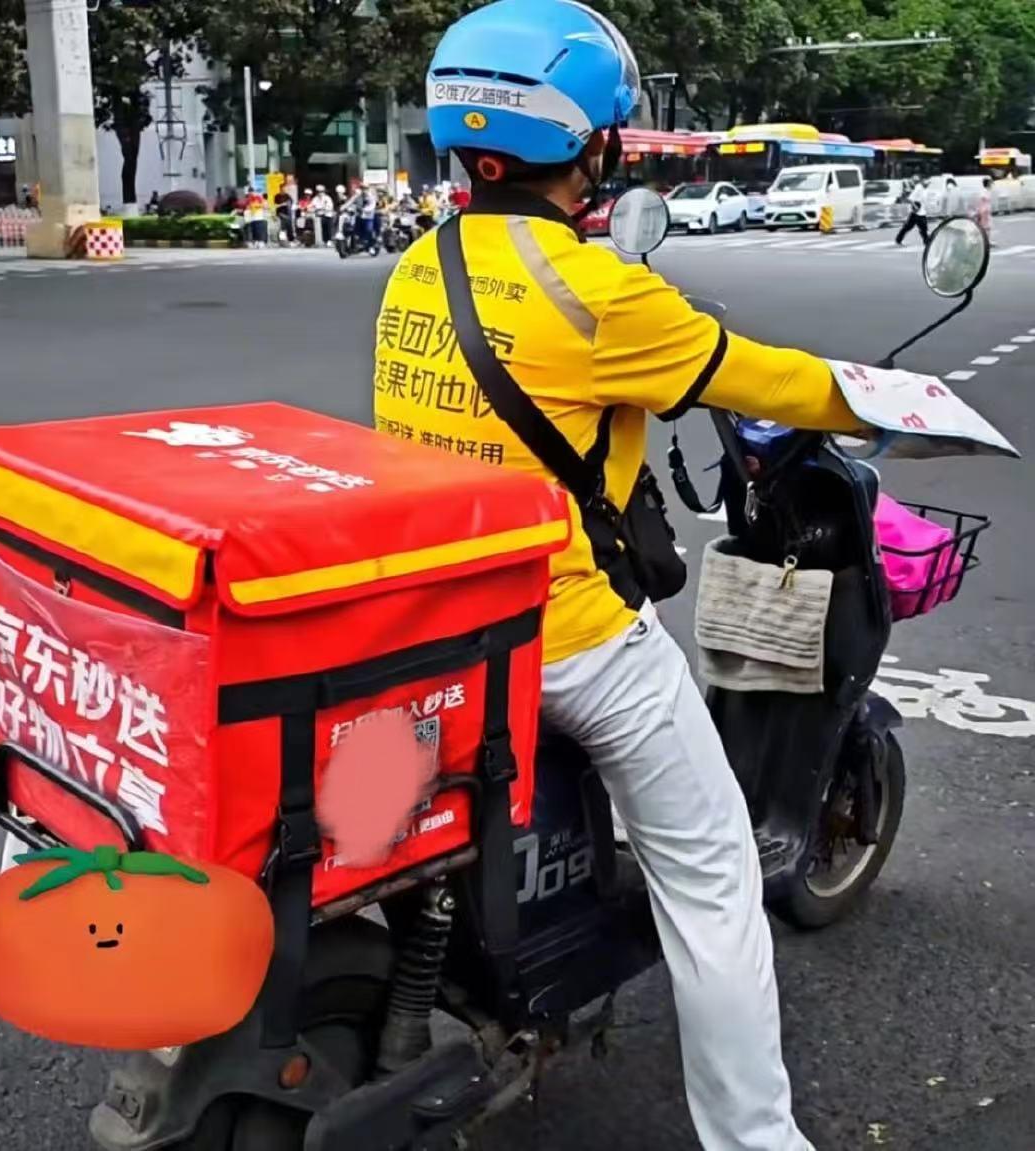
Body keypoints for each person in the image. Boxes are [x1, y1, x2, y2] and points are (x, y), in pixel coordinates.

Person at [372, 3, 881, 1148]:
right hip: (570, 634)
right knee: (710, 882)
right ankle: (758, 1137)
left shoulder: (419, 263)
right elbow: (765, 381)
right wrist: (895, 405)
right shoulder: (596, 290)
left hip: (435, 622)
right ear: (592, 142)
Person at [896, 176, 929, 246]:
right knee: (911, 227)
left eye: (929, 182)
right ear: (923, 181)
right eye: (927, 181)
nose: (928, 183)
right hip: (917, 213)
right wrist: (915, 206)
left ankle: (926, 242)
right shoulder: (919, 188)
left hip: (921, 212)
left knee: (922, 228)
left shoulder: (925, 189)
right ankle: (898, 239)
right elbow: (910, 198)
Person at [975, 176, 994, 244]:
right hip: (983, 211)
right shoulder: (983, 192)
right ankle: (983, 240)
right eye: (990, 183)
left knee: (987, 227)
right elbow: (981, 202)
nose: (991, 185)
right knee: (984, 227)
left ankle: (987, 240)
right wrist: (979, 212)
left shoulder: (987, 191)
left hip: (986, 211)